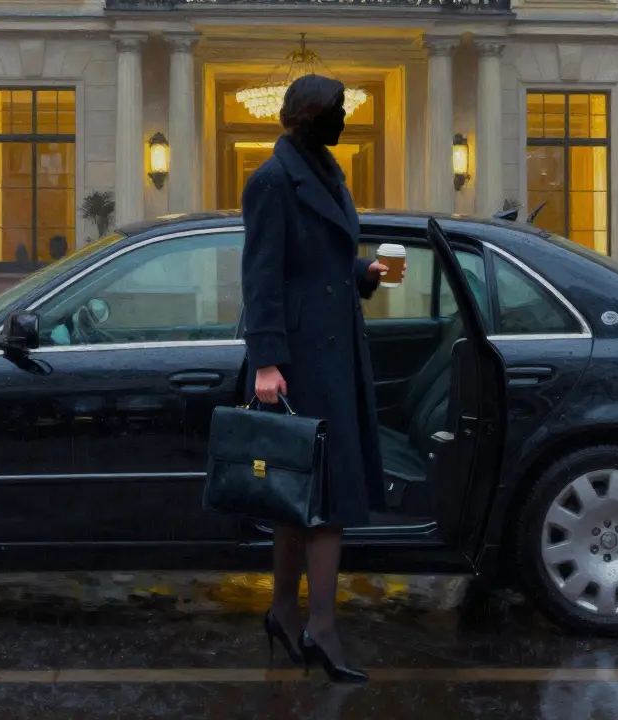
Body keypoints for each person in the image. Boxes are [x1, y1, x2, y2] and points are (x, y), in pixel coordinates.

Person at [240, 73, 404, 684]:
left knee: (297, 498)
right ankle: (322, 628)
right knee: (324, 500)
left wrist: (365, 273)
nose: (346, 121)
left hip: (334, 351)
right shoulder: (273, 182)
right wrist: (265, 364)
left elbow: (322, 262)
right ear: (313, 115)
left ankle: (285, 612)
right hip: (300, 362)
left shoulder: (325, 171)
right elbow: (262, 278)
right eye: (339, 111)